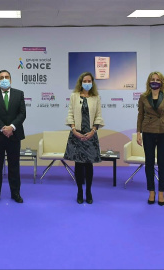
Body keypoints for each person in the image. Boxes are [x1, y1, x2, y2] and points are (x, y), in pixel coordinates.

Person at [0, 70, 26, 203]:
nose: (4, 79)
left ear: (11, 79)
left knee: (14, 166)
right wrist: (3, 128)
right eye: (1, 77)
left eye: (6, 77)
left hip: (14, 135)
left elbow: (22, 114)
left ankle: (16, 193)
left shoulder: (19, 94)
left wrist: (12, 127)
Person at [64, 72, 104, 204]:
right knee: (79, 165)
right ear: (81, 82)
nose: (87, 83)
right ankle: (79, 190)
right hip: (77, 135)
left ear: (92, 82)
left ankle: (89, 191)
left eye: (89, 81)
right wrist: (74, 130)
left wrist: (93, 130)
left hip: (90, 135)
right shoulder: (74, 96)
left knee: (89, 165)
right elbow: (70, 114)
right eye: (85, 80)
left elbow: (98, 115)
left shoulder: (96, 97)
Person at [136, 71, 164, 206]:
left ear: (162, 82)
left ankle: (161, 192)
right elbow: (140, 115)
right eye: (153, 79)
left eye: (158, 79)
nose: (155, 81)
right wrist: (138, 133)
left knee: (162, 163)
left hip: (163, 132)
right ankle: (151, 191)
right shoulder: (143, 97)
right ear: (149, 81)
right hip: (148, 132)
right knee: (149, 163)